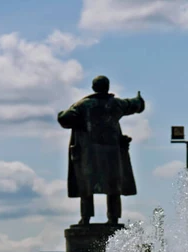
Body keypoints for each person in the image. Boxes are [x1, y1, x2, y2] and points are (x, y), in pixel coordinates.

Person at [58, 75, 145, 225]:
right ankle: (113, 218)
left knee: (86, 186)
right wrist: (139, 99)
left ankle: (85, 218)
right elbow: (135, 105)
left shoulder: (82, 105)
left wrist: (66, 114)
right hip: (112, 153)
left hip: (89, 154)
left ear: (93, 88)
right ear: (107, 87)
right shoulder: (116, 104)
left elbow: (64, 119)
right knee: (113, 186)